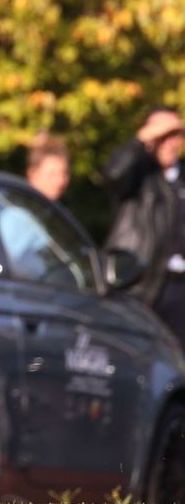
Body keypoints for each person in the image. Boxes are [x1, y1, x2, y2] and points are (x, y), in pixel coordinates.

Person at [103, 106, 185, 348]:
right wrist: (142, 140)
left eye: (175, 134)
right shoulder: (139, 176)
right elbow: (114, 174)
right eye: (162, 136)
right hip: (142, 286)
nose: (169, 142)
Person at [25, 131, 70, 202]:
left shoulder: (58, 209)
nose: (60, 181)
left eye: (64, 174)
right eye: (52, 174)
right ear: (33, 174)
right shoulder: (19, 209)